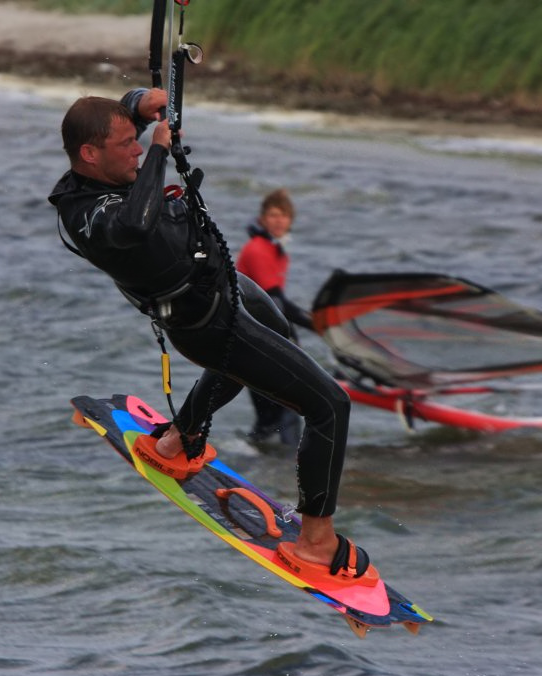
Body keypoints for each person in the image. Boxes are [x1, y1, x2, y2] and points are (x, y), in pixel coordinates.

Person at [48, 87, 369, 578]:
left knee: (276, 333)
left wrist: (138, 103)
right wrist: (158, 147)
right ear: (90, 154)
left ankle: (179, 438)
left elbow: (114, 122)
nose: (135, 148)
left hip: (223, 286)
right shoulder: (88, 217)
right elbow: (135, 224)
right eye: (126, 144)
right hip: (204, 321)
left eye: (136, 141)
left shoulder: (102, 158)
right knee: (330, 405)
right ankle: (316, 541)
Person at [236, 189, 313, 447]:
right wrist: (316, 323)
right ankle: (294, 471)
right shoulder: (258, 250)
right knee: (290, 409)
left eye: (284, 216)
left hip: (256, 338)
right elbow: (277, 301)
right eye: (273, 215)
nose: (279, 221)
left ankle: (257, 466)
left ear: (291, 220)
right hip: (258, 340)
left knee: (268, 419)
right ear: (262, 219)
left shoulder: (276, 249)